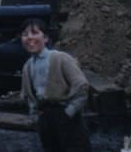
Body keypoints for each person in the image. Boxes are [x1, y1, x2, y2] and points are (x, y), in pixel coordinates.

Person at [20, 18, 91, 152]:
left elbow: (81, 85)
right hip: (45, 118)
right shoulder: (27, 67)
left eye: (35, 33)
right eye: (25, 34)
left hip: (67, 116)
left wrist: (69, 112)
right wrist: (36, 116)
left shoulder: (61, 58)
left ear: (46, 38)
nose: (29, 38)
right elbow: (28, 96)